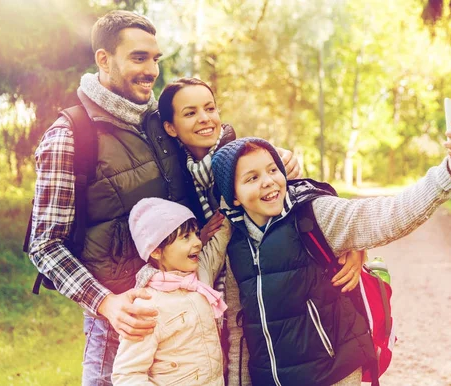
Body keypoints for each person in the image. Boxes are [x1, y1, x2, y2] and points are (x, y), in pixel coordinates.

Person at [26, 10, 304, 385]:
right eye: (138, 57)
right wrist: (108, 304)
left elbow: (227, 167)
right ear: (104, 60)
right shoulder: (70, 136)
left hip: (194, 308)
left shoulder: (164, 122)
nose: (152, 70)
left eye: (155, 58)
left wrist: (283, 164)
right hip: (124, 326)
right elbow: (44, 246)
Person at [210, 128, 451, 385]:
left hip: (333, 374)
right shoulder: (237, 245)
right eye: (251, 178)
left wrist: (447, 174)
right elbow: (239, 330)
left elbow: (388, 215)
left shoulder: (313, 214)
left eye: (272, 169)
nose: (268, 181)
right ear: (233, 197)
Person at [158, 77, 366, 385]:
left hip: (259, 299)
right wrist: (198, 240)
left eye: (210, 108)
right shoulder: (173, 176)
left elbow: (310, 206)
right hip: (211, 298)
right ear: (170, 127)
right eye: (190, 113)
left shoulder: (249, 156)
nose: (204, 118)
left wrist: (354, 244)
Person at [112, 197, 230, 385]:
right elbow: (126, 374)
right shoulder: (147, 305)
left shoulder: (201, 274)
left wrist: (229, 203)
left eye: (197, 234)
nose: (198, 242)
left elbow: (220, 241)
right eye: (186, 237)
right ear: (156, 251)